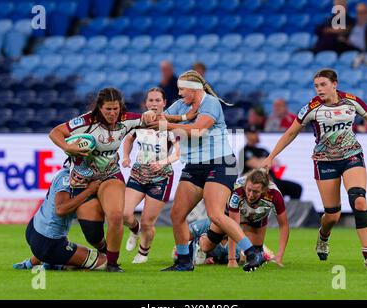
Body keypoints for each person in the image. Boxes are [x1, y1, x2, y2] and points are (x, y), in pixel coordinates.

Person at [261, 69, 367, 268]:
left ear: (334, 84)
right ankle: (323, 236)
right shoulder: (311, 108)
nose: (319, 89)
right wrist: (271, 157)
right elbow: (291, 133)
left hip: (351, 156)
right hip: (324, 161)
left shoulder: (351, 101)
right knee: (332, 215)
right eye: (316, 86)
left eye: (323, 84)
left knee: (359, 200)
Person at [148, 70, 266, 272]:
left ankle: (254, 253)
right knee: (177, 215)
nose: (179, 93)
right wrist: (150, 114)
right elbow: (160, 117)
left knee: (215, 214)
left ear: (194, 89)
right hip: (194, 166)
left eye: (182, 89)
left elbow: (198, 130)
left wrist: (165, 124)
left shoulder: (210, 102)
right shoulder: (182, 105)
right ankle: (184, 262)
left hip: (220, 163)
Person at [48, 87, 156, 272]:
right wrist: (68, 146)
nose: (113, 113)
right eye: (108, 109)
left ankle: (113, 264)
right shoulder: (85, 121)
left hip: (110, 175)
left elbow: (152, 121)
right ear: (99, 107)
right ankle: (104, 253)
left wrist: (150, 115)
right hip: (84, 180)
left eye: (116, 109)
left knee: (115, 216)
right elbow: (55, 132)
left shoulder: (126, 119)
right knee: (93, 234)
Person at [122, 87, 181, 264]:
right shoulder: (139, 122)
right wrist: (125, 156)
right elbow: (129, 139)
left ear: (164, 103)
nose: (154, 104)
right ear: (145, 103)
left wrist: (162, 162)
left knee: (148, 222)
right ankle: (134, 230)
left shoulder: (169, 125)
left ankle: (143, 252)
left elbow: (177, 153)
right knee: (124, 214)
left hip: (160, 178)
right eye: (151, 100)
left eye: (157, 100)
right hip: (138, 174)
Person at [187, 169, 289, 268]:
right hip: (229, 216)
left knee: (255, 256)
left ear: (264, 190)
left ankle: (217, 255)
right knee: (206, 246)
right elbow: (233, 226)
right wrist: (232, 260)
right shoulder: (238, 190)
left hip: (256, 218)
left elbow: (284, 225)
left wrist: (279, 256)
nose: (250, 195)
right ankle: (197, 242)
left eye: (255, 192)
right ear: (245, 185)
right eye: (249, 190)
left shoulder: (275, 194)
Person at [13, 169, 107, 271]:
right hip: (48, 240)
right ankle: (54, 265)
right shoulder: (67, 178)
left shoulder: (66, 172)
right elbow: (60, 209)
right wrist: (89, 191)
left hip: (36, 228)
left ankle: (31, 263)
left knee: (55, 241)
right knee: (103, 262)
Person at [241, 125, 303, 199]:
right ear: (247, 135)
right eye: (254, 133)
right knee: (274, 189)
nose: (257, 135)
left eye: (257, 132)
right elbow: (258, 165)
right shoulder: (245, 151)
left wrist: (262, 161)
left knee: (296, 188)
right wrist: (266, 160)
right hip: (257, 183)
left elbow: (276, 163)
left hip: (273, 180)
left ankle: (289, 209)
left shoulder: (262, 150)